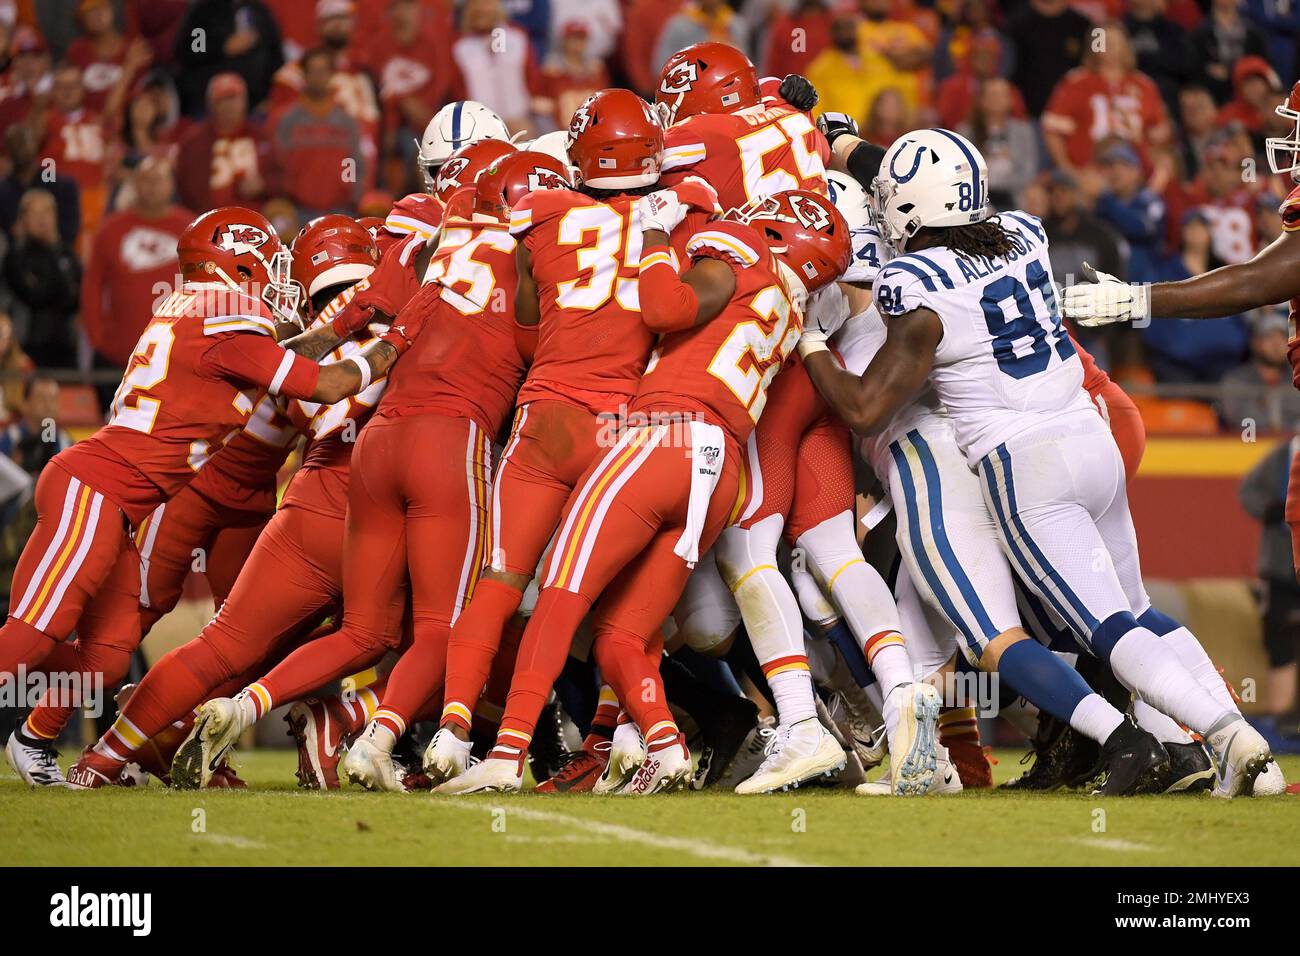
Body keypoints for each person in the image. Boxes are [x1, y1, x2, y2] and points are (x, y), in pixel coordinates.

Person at [799, 127, 1275, 798]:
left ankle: (1218, 737)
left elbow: (864, 409)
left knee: (1094, 632)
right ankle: (1210, 751)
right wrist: (852, 148)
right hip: (1093, 436)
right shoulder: (1021, 231)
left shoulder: (913, 284)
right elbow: (940, 206)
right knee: (1131, 611)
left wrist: (811, 342)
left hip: (1025, 464)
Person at [440, 187, 852, 795]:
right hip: (721, 470)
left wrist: (657, 237)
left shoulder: (740, 255)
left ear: (775, 230)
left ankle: (505, 754)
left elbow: (664, 308)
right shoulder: (791, 308)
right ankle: (665, 743)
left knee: (561, 592)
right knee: (622, 634)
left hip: (662, 437)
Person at [61, 212, 422, 790]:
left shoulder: (273, 325)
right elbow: (325, 399)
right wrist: (399, 337)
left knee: (233, 646)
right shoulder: (353, 313)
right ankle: (47, 730)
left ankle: (119, 749)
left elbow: (296, 370)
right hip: (216, 486)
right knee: (412, 634)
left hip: (271, 498)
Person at [422, 89, 681, 790]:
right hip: (620, 428)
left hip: (545, 417)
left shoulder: (539, 215)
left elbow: (528, 328)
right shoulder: (676, 218)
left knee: (501, 582)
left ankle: (455, 733)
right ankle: (635, 736)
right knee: (612, 603)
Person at [341, 154, 568, 792]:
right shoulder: (532, 258)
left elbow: (381, 328)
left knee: (367, 629)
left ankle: (270, 708)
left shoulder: (448, 240)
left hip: (378, 436)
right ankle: (395, 738)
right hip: (454, 436)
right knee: (454, 619)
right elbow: (536, 345)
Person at [81, 155, 193, 370]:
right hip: (118, 356)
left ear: (171, 185)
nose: (151, 187)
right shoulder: (110, 229)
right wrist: (98, 340)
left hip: (176, 356)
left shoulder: (191, 229)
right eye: (145, 180)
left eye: (158, 180)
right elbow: (92, 287)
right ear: (134, 185)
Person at [268, 47, 367, 217]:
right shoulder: (286, 121)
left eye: (323, 71)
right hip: (298, 212)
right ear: (304, 76)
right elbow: (276, 165)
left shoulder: (347, 122)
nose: (318, 77)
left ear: (331, 75)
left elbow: (356, 164)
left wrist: (351, 194)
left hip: (341, 211)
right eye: (312, 71)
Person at [2, 189, 81, 368]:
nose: (42, 219)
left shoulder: (67, 253)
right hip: (26, 344)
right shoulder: (15, 256)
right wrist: (54, 253)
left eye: (47, 212)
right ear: (23, 218)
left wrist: (54, 248)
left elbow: (75, 298)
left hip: (65, 343)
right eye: (35, 213)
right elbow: (35, 296)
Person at [173, 73, 267, 215]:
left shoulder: (261, 136)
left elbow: (283, 179)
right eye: (223, 100)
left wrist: (264, 183)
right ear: (211, 104)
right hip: (208, 217)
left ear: (244, 101)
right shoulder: (193, 141)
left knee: (282, 213)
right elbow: (186, 187)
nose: (230, 106)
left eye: (234, 98)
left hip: (256, 215)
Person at [1219, 306, 1300, 431]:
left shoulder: (1297, 377)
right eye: (1269, 337)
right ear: (1255, 342)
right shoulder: (1236, 379)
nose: (1276, 344)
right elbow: (1238, 419)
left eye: (1282, 337)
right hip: (1248, 445)